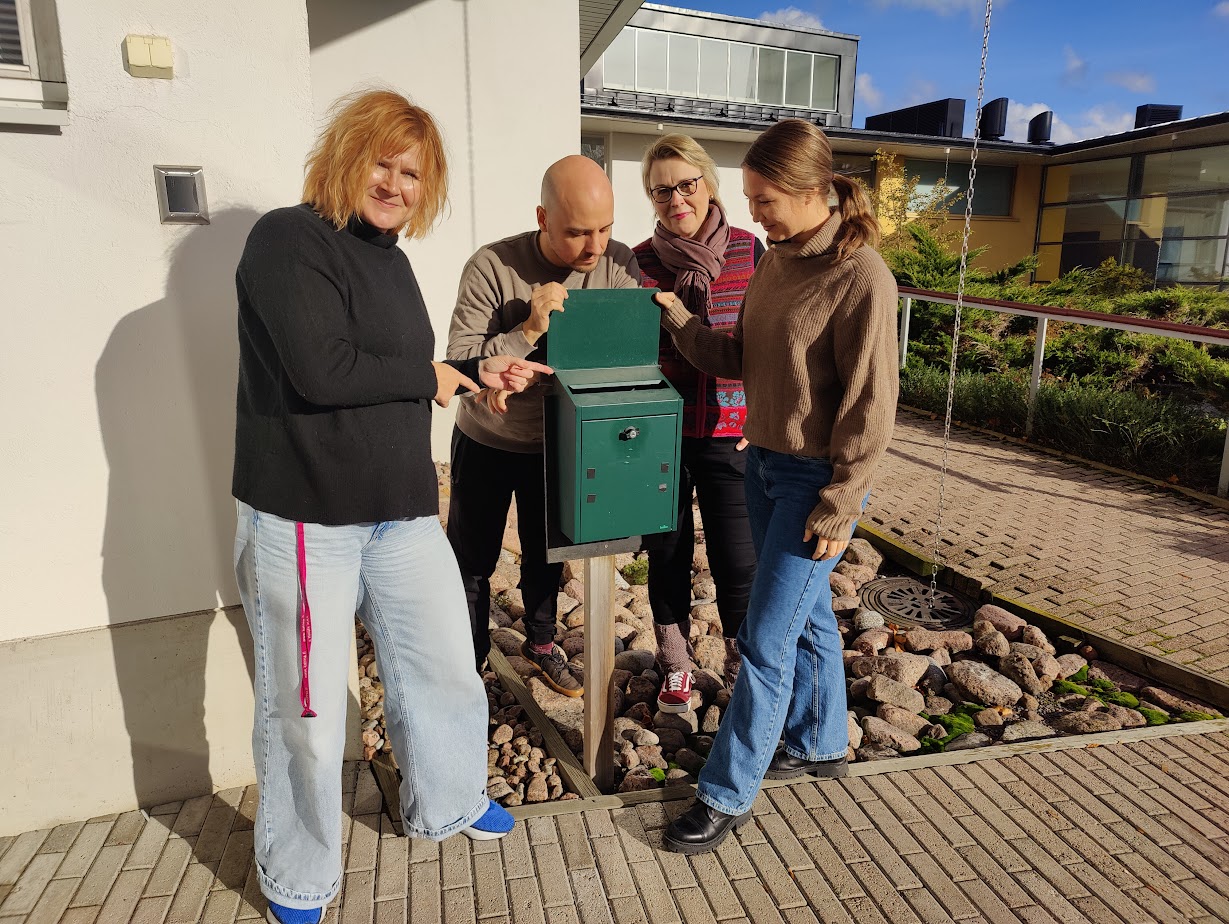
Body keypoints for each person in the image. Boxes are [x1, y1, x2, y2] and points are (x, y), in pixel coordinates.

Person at [231, 90, 550, 924]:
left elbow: (400, 370)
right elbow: (322, 370)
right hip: (305, 515)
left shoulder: (391, 258)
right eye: (383, 161)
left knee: (444, 665)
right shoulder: (286, 239)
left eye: (413, 173)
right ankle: (297, 875)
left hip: (398, 509)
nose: (397, 183)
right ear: (345, 154)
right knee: (300, 708)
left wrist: (475, 371)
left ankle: (446, 800)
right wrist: (433, 377)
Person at [656, 119, 899, 855]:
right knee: (806, 619)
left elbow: (871, 404)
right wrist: (679, 321)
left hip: (813, 480)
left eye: (764, 200)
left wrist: (840, 503)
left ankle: (727, 795)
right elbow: (743, 357)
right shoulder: (776, 259)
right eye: (751, 199)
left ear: (813, 191)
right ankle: (821, 741)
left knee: (763, 643)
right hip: (759, 463)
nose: (753, 214)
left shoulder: (860, 277)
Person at [446, 154, 640, 694]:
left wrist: (533, 378)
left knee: (548, 551)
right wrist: (529, 328)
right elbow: (461, 360)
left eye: (604, 229)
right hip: (488, 437)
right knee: (474, 555)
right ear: (542, 217)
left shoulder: (619, 267)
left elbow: (618, 363)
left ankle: (541, 641)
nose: (595, 247)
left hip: (563, 440)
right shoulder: (491, 265)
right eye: (578, 233)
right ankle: (470, 662)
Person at [632, 134, 761, 714]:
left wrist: (762, 409)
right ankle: (676, 661)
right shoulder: (636, 262)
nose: (676, 198)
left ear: (707, 182)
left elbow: (770, 342)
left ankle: (739, 664)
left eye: (686, 183)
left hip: (731, 431)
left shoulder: (750, 251)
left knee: (739, 557)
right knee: (667, 550)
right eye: (662, 189)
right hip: (661, 432)